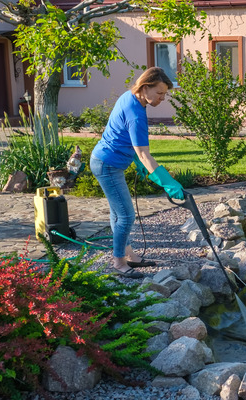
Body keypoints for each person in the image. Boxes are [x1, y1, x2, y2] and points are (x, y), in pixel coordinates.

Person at [90, 67, 184, 279]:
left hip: (104, 160)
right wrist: (168, 182)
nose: (162, 98)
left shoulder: (129, 97)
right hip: (107, 165)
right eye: (159, 93)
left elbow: (121, 133)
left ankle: (128, 254)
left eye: (164, 94)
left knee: (118, 213)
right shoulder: (137, 115)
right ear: (145, 87)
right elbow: (144, 154)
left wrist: (135, 159)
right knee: (126, 216)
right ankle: (119, 262)